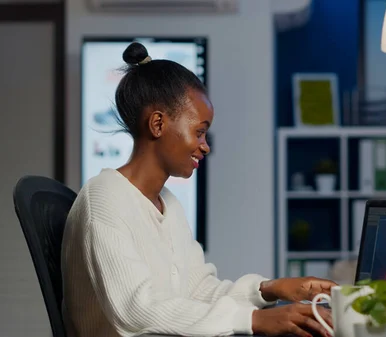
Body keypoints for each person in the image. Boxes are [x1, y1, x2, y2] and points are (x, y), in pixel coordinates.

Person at [61, 42, 335, 337]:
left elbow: (198, 291)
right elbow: (137, 310)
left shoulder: (168, 204)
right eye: (199, 132)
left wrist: (270, 289)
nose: (205, 146)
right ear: (157, 124)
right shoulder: (104, 198)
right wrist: (255, 319)